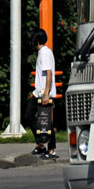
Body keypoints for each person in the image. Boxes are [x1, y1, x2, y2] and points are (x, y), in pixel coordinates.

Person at [31, 29, 57, 160]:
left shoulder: (44, 53)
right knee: (34, 117)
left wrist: (46, 93)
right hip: (39, 92)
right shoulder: (44, 52)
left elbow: (49, 73)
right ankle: (41, 144)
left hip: (43, 93)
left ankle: (50, 149)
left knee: (46, 121)